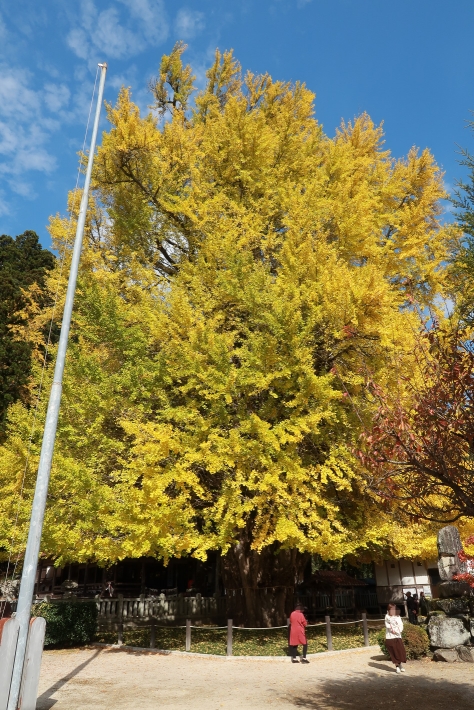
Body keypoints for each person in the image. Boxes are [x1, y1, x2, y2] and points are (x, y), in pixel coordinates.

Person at [385, 603, 407, 673]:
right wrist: (393, 630)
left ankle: (400, 665)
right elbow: (388, 626)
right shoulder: (387, 617)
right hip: (390, 637)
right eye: (391, 609)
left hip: (397, 636)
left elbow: (401, 624)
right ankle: (397, 666)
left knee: (400, 651)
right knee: (393, 652)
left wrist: (398, 630)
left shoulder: (398, 616)